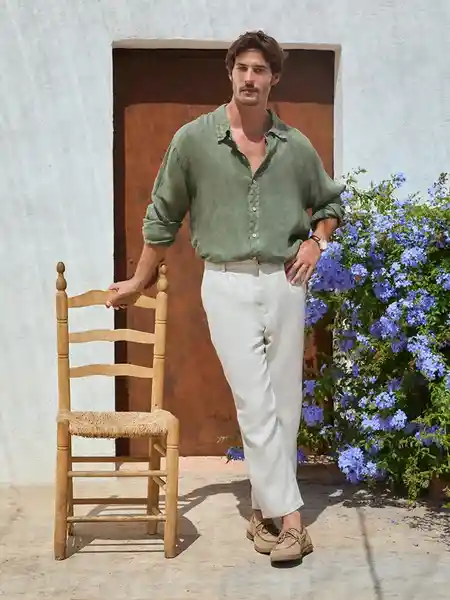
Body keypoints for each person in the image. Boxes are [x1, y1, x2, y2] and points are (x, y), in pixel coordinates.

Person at [106, 30, 345, 565]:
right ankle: (293, 524)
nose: (249, 78)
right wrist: (139, 281)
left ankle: (263, 512)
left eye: (260, 70)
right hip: (226, 283)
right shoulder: (194, 141)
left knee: (284, 405)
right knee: (255, 402)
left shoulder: (295, 146)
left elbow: (330, 204)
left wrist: (316, 242)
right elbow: (162, 217)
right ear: (230, 73)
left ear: (273, 78)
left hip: (285, 282)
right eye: (242, 68)